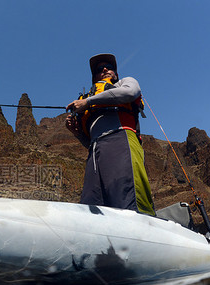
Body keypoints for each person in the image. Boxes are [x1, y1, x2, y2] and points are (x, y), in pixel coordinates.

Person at [65, 53, 155, 216]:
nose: (105, 69)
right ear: (94, 77)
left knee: (125, 198)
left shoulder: (125, 82)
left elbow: (130, 93)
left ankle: (141, 223)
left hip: (121, 140)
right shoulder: (89, 99)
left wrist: (88, 102)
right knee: (92, 203)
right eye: (99, 69)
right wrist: (77, 133)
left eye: (109, 67)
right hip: (95, 151)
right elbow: (89, 142)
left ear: (116, 73)